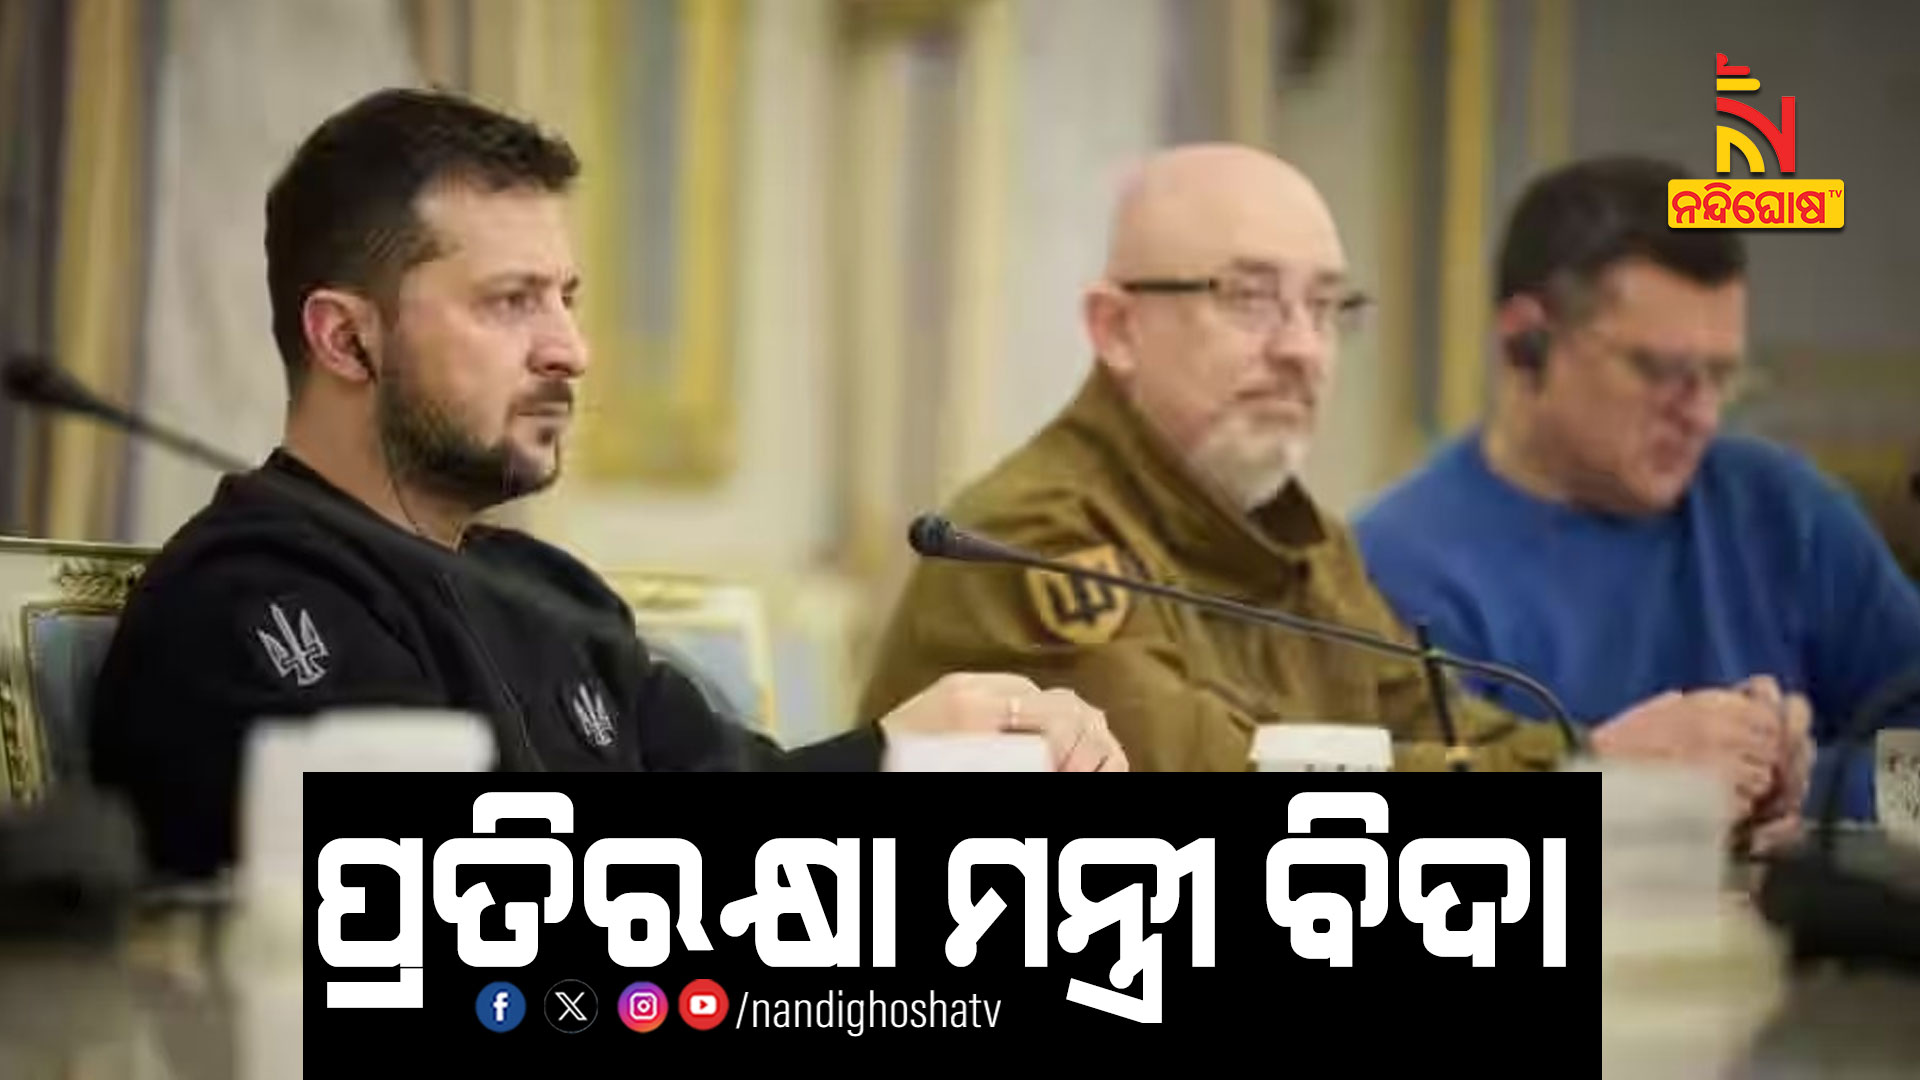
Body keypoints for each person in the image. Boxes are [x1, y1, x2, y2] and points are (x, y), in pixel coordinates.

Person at [87, 87, 1124, 884]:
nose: (570, 349)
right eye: (511, 302)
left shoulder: (551, 591)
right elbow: (479, 896)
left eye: (566, 299)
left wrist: (922, 749)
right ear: (346, 338)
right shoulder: (244, 601)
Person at [857, 143, 1810, 846]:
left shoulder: (1296, 538)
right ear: (1117, 328)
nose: (1303, 349)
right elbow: (1205, 796)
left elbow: (1443, 729)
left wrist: (1665, 770)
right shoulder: (1029, 536)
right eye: (1249, 298)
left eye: (1325, 306)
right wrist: (1596, 782)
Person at [1354, 154, 1920, 822]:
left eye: (1721, 376)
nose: (1701, 414)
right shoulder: (1395, 570)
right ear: (1525, 343)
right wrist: (1625, 785)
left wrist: (1797, 790)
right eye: (1659, 371)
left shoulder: (1789, 515)